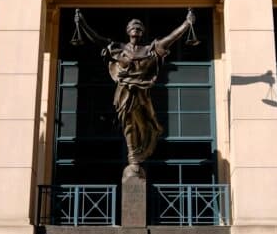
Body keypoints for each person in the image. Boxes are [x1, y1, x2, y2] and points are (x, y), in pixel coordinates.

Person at [73, 9, 196, 178]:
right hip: (124, 92)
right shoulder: (119, 48)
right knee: (128, 124)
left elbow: (170, 39)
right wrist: (82, 23)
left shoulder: (150, 49)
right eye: (133, 26)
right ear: (127, 31)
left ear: (142, 32)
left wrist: (186, 24)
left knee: (146, 125)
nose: (136, 29)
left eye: (139, 27)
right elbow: (97, 39)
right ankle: (133, 156)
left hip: (142, 92)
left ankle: (141, 150)